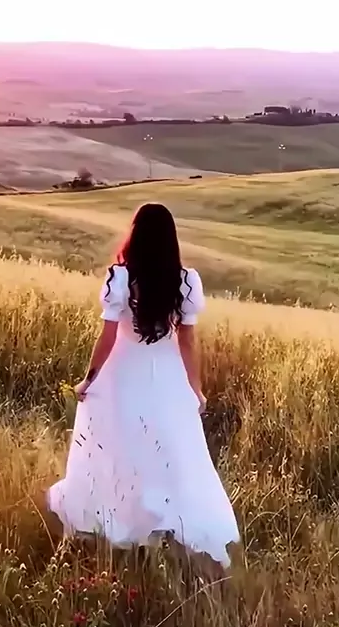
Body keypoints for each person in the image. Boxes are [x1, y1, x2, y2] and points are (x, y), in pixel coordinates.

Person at [47, 202, 240, 568]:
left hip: (123, 375)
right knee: (172, 454)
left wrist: (89, 379)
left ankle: (124, 524)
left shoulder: (120, 279)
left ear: (134, 236)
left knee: (122, 450)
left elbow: (108, 337)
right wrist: (195, 388)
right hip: (167, 378)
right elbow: (187, 342)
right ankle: (165, 526)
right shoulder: (185, 281)